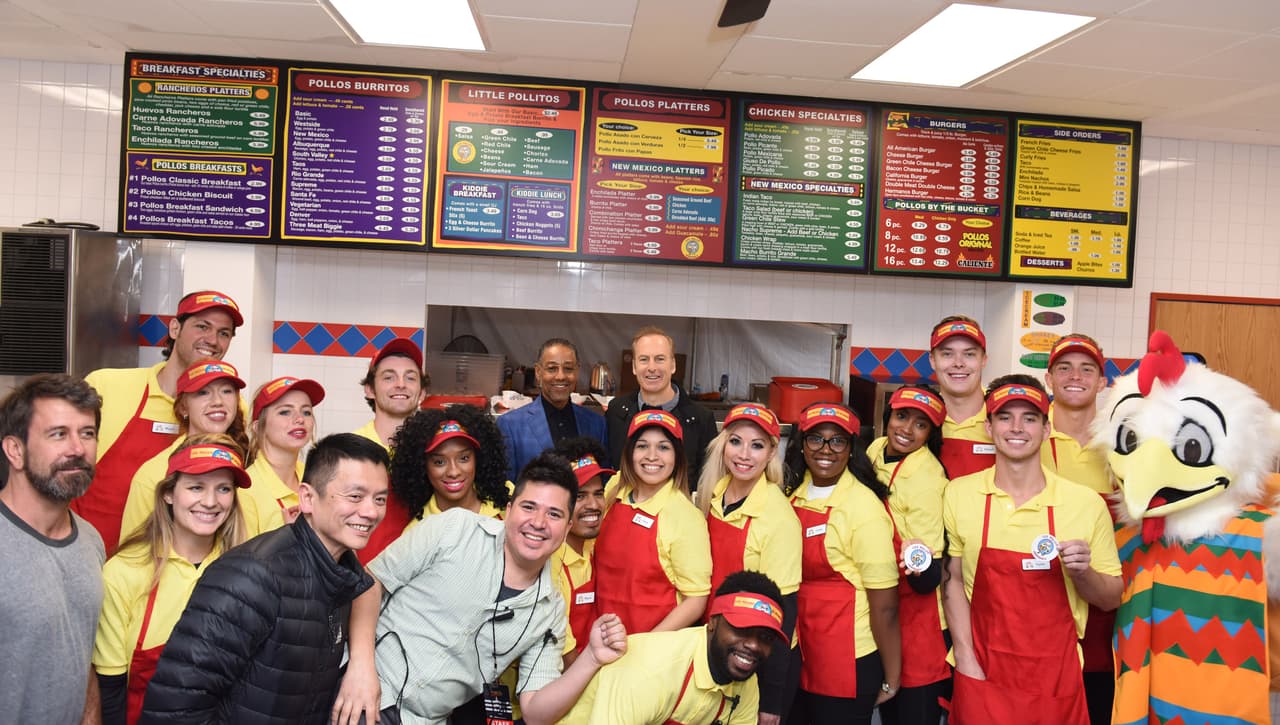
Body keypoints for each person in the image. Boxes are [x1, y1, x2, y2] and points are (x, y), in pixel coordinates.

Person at [333, 451, 629, 725]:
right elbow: (371, 583)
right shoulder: (454, 529)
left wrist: (591, 658)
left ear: (566, 529)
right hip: (354, 689)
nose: (538, 523)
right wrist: (360, 669)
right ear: (510, 510)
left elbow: (536, 710)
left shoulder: (548, 611)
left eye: (554, 514)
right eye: (529, 507)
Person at [138, 433, 390, 724]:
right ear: (307, 497)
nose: (371, 511)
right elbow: (175, 709)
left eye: (379, 499)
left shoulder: (340, 575)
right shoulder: (251, 575)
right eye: (355, 496)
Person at [942, 376, 1122, 724]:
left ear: (1046, 429)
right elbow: (951, 581)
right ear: (989, 427)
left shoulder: (1085, 503)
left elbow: (1111, 598)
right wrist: (965, 659)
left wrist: (1083, 572)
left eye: (1030, 418)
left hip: (1056, 680)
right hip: (982, 674)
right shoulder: (958, 494)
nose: (1017, 428)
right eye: (1005, 417)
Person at [94, 435, 251, 725]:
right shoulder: (124, 571)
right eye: (195, 487)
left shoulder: (246, 571)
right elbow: (110, 685)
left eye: (224, 489)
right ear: (168, 493)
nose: (210, 501)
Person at [76, 290, 243, 551]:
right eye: (202, 326)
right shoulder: (107, 385)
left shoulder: (227, 409)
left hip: (168, 567)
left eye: (224, 333)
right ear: (175, 328)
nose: (212, 340)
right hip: (91, 553)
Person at [785, 403, 901, 725]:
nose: (826, 450)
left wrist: (892, 675)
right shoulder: (788, 495)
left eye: (837, 441)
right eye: (815, 439)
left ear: (851, 449)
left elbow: (886, 606)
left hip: (847, 658)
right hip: (797, 649)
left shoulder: (864, 508)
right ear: (801, 444)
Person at [0, 373, 104, 724]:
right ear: (15, 450)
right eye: (58, 433)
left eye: (87, 433)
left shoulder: (90, 540)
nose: (78, 448)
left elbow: (81, 654)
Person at [560, 570, 788, 725]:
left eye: (765, 637)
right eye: (742, 628)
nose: (753, 645)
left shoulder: (746, 686)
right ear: (713, 622)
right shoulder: (651, 669)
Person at [695, 403, 801, 723]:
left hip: (757, 658)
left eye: (757, 446)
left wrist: (771, 701)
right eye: (736, 441)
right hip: (715, 645)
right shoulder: (712, 495)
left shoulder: (778, 518)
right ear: (723, 444)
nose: (744, 454)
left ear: (771, 453)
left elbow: (785, 613)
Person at [1039, 333, 1115, 725]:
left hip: (1106, 602)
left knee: (1099, 702)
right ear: (1049, 378)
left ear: (1103, 382)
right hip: (1041, 601)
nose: (1075, 376)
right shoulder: (1028, 435)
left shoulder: (1121, 443)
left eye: (1087, 369)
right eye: (1064, 368)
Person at [866, 386, 951, 725]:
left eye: (920, 425)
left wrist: (919, 566)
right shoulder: (874, 450)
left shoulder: (929, 478)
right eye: (902, 417)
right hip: (883, 601)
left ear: (931, 434)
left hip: (919, 615)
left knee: (914, 712)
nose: (906, 429)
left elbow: (927, 572)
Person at [594, 410, 712, 634]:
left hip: (652, 649)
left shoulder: (686, 517)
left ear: (677, 457)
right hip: (599, 640)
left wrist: (648, 645)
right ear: (629, 453)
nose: (652, 456)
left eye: (663, 447)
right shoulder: (614, 489)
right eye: (642, 446)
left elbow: (696, 600)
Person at [119, 360, 250, 545]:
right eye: (203, 392)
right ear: (183, 407)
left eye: (227, 391)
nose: (218, 402)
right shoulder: (152, 475)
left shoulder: (248, 463)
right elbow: (133, 553)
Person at [605, 326, 717, 485]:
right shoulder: (616, 412)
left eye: (660, 359)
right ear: (634, 367)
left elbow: (707, 482)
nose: (652, 368)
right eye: (644, 359)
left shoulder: (701, 419)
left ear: (673, 365)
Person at [352, 337, 427, 562]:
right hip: (360, 579)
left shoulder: (435, 450)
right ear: (370, 390)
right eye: (389, 377)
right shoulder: (350, 449)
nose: (401, 384)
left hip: (420, 585)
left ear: (422, 393)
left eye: (410, 378)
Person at [498, 338, 608, 481]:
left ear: (577, 371)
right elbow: (506, 487)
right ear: (538, 372)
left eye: (568, 369)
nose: (561, 376)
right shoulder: (510, 425)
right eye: (552, 368)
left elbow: (603, 484)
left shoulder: (596, 424)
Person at [549, 435, 614, 661]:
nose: (594, 505)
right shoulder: (550, 562)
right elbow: (562, 650)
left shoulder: (595, 545)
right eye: (580, 496)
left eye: (598, 493)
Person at [390, 404, 510, 521]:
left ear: (479, 459)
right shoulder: (417, 532)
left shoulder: (513, 499)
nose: (454, 472)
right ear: (422, 466)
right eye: (439, 462)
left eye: (464, 458)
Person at [240, 376, 325, 535]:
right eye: (285, 412)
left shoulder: (315, 477)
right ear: (258, 427)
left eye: (306, 412)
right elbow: (243, 559)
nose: (299, 419)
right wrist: (289, 536)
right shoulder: (246, 491)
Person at [927, 315, 993, 478]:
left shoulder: (1004, 416)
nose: (958, 363)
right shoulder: (921, 418)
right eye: (947, 354)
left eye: (969, 354)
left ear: (983, 360)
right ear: (932, 360)